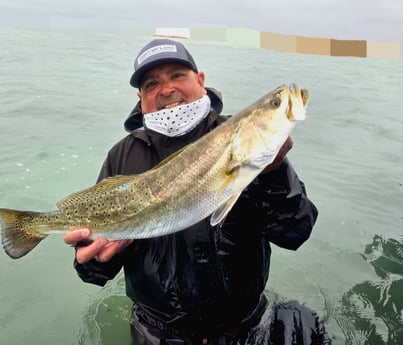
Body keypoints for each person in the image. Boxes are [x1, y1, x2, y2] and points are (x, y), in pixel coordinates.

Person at [64, 39, 329, 345]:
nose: (166, 90)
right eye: (152, 83)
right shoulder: (121, 157)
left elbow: (296, 232)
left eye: (177, 75)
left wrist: (274, 172)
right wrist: (95, 259)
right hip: (157, 334)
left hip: (246, 326)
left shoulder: (245, 143)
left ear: (200, 80)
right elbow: (93, 274)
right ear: (140, 97)